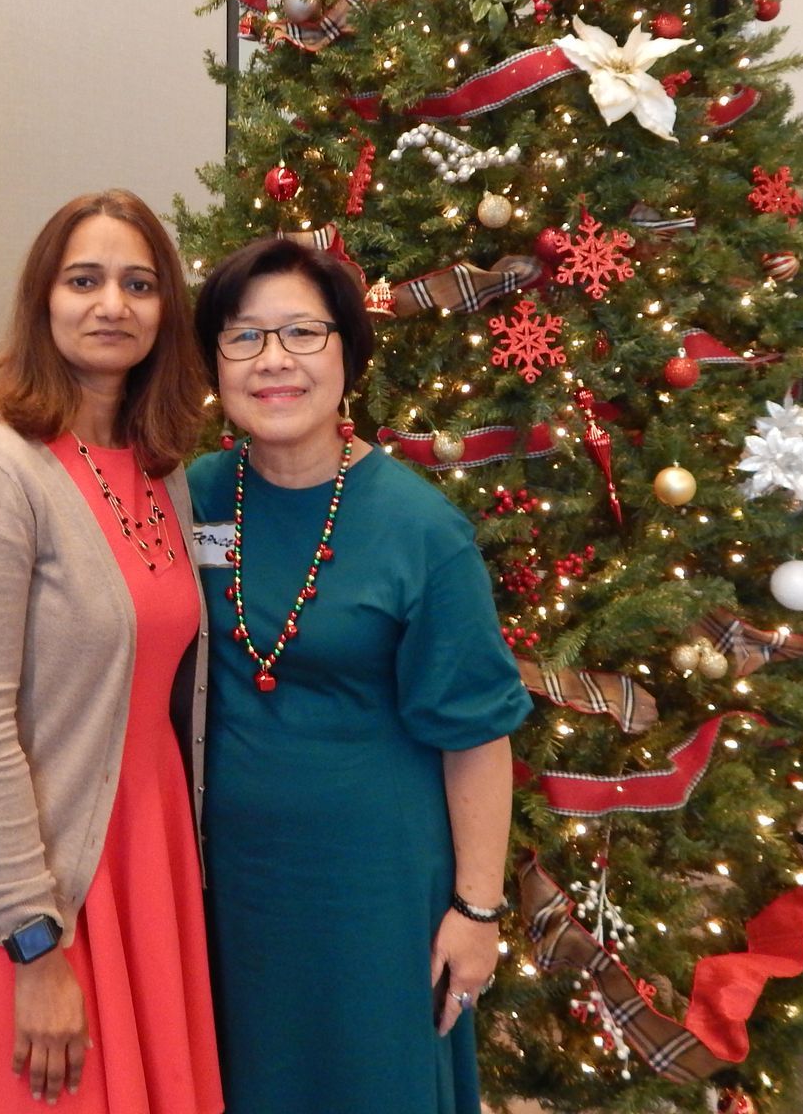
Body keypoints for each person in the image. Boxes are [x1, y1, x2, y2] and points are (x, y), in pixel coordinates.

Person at [0, 190, 222, 1114]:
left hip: (143, 851)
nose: (112, 303)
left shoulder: (161, 469)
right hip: (34, 884)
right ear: (43, 301)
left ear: (165, 314)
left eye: (139, 283)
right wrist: (33, 943)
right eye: (85, 279)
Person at [187, 237, 531, 1114]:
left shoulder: (421, 530)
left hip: (373, 894)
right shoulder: (189, 497)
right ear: (215, 362)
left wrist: (479, 912)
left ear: (347, 353)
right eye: (244, 337)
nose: (273, 361)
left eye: (303, 333)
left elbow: (478, 738)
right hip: (221, 889)